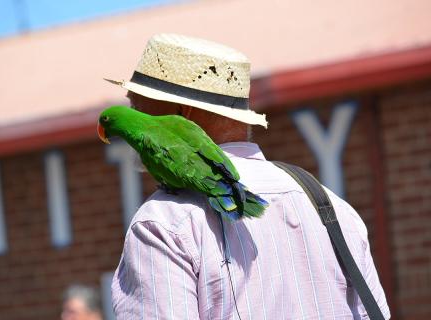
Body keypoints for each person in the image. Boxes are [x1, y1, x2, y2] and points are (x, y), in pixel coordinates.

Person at [109, 33, 390, 319]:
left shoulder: (164, 222)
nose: (133, 116)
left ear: (181, 115)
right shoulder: (334, 209)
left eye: (137, 107)